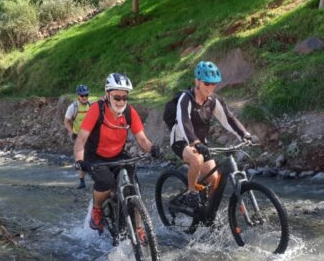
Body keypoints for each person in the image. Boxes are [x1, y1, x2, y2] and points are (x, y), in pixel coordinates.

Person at [74, 73, 160, 232]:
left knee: (134, 187)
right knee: (105, 181)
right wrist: (80, 161)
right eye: (117, 97)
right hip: (95, 156)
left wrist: (152, 148)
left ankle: (139, 228)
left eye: (124, 98)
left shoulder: (129, 112)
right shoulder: (96, 110)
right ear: (107, 95)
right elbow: (81, 140)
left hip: (118, 155)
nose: (121, 101)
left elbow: (142, 139)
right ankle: (97, 210)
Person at [169, 61, 254, 208]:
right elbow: (184, 122)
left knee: (214, 180)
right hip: (182, 140)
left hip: (201, 143)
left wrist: (245, 134)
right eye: (207, 83)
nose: (211, 87)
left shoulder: (214, 100)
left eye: (214, 84)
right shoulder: (186, 98)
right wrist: (195, 142)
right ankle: (191, 192)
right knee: (196, 159)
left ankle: (207, 212)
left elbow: (229, 118)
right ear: (197, 81)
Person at [64, 85, 92, 189]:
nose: (84, 97)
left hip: (90, 135)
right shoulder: (73, 107)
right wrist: (71, 132)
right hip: (78, 136)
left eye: (86, 95)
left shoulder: (91, 105)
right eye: (82, 95)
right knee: (80, 159)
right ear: (78, 96)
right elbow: (66, 121)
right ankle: (82, 181)